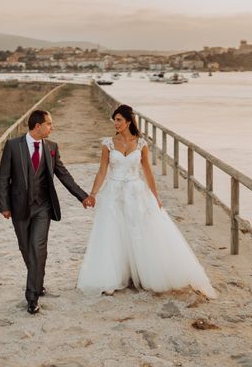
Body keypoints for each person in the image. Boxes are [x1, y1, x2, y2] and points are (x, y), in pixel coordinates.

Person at [77, 104, 217, 298]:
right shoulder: (108, 144)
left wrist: (155, 196)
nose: (115, 123)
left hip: (136, 191)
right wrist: (92, 193)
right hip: (113, 192)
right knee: (113, 233)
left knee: (137, 231)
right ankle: (111, 278)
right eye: (114, 120)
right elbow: (102, 171)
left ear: (128, 121)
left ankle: (144, 274)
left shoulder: (141, 143)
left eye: (119, 120)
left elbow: (148, 171)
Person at [0, 109, 95, 314]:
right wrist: (4, 206)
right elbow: (4, 178)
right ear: (37, 126)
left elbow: (63, 174)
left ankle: (32, 297)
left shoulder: (52, 147)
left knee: (38, 248)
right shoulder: (13, 146)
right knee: (26, 248)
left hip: (43, 206)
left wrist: (82, 196)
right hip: (19, 207)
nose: (52, 127)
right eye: (49, 124)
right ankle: (38, 281)